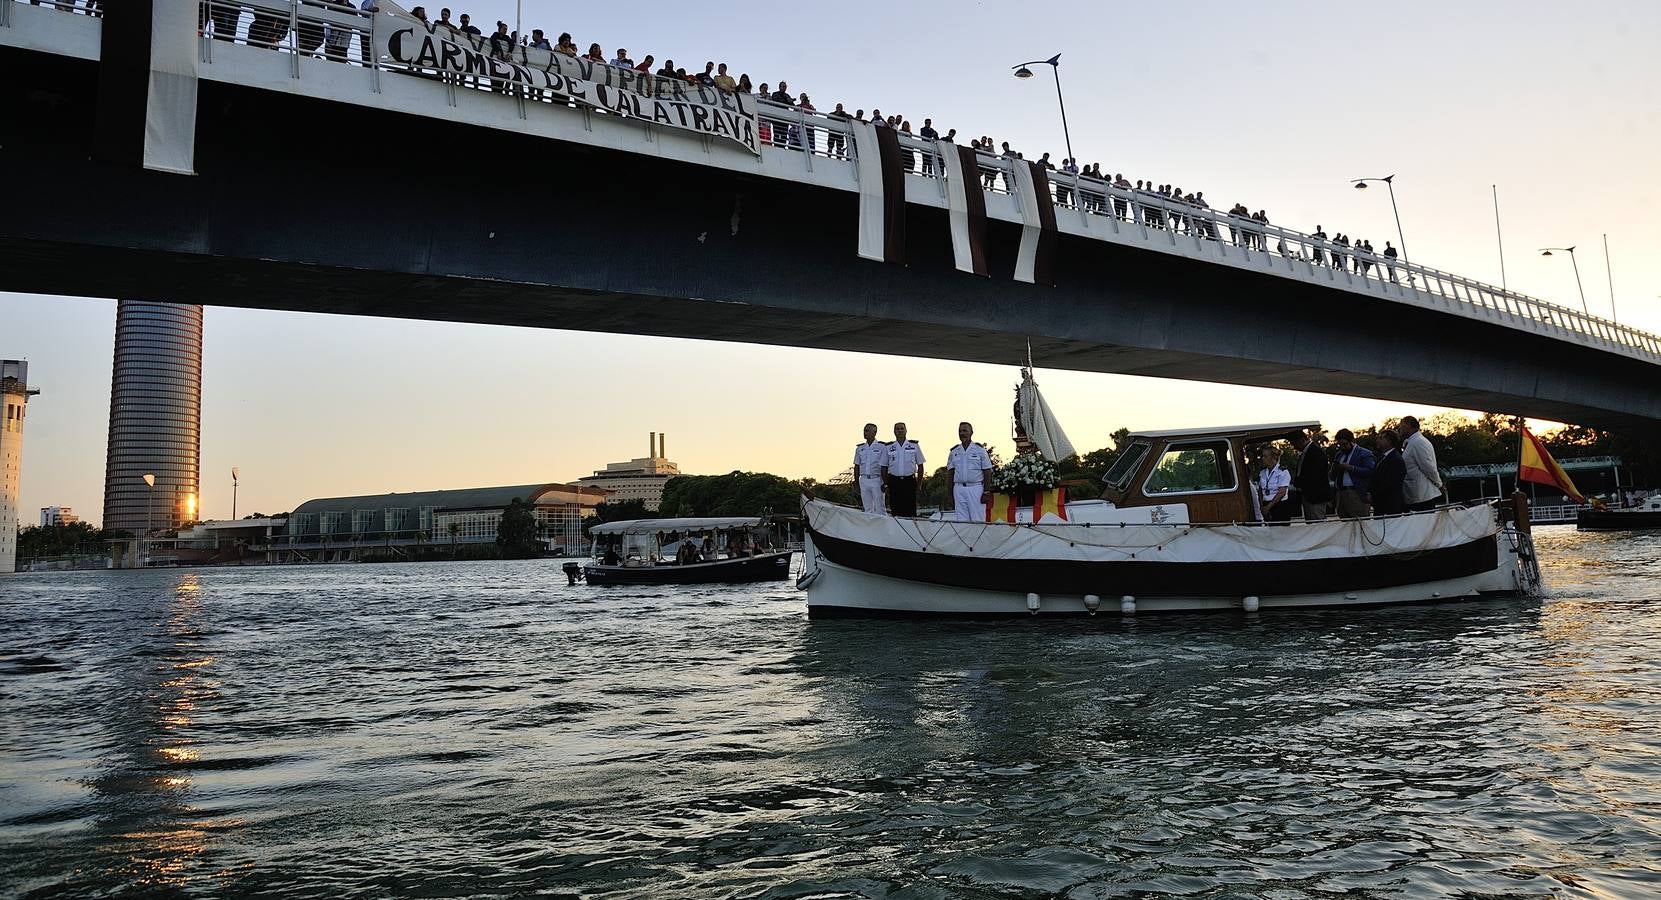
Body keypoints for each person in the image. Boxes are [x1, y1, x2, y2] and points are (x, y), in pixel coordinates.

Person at [946, 422, 994, 522]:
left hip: (975, 488)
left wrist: (986, 491)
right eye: (960, 431)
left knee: (978, 520)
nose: (962, 433)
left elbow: (987, 471)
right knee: (961, 521)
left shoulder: (979, 450)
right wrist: (950, 494)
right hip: (959, 489)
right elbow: (950, 473)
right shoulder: (954, 451)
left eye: (965, 431)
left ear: (971, 432)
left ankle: (978, 538)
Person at [1400, 416, 1445, 512]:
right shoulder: (1411, 442)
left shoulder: (1419, 442)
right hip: (1415, 494)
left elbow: (1428, 467)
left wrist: (1439, 484)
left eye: (1402, 425)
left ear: (1409, 426)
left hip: (1422, 495)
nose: (1400, 428)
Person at [1330, 428, 1377, 517]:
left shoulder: (1364, 453)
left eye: (1345, 444)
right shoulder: (1339, 455)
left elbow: (1370, 471)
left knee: (1360, 523)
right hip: (1341, 493)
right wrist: (1335, 468)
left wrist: (1351, 468)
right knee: (1345, 524)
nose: (1343, 447)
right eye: (1340, 445)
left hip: (1356, 493)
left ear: (1351, 441)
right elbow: (1332, 475)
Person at [1287, 429, 1332, 521]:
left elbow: (1315, 475)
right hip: (1308, 495)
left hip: (1315, 496)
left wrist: (1300, 483)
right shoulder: (1307, 452)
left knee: (1316, 523)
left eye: (1294, 444)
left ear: (1301, 440)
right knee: (1312, 522)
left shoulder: (1316, 452)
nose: (1294, 447)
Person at [883, 422, 926, 517]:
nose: (900, 431)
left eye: (902, 428)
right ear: (894, 431)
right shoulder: (888, 447)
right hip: (894, 482)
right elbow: (884, 467)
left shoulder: (914, 446)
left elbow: (920, 465)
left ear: (906, 430)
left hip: (909, 482)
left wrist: (919, 484)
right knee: (895, 510)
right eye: (897, 429)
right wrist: (886, 484)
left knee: (910, 510)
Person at [1370, 429, 1407, 515]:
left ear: (1389, 441)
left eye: (1381, 438)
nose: (1378, 440)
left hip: (1390, 506)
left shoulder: (1395, 460)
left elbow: (1391, 483)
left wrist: (1374, 494)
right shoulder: (1382, 458)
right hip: (1381, 505)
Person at [853, 423, 888, 514]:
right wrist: (856, 482)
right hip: (864, 479)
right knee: (867, 509)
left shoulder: (882, 447)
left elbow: (885, 466)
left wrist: (885, 482)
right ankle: (870, 527)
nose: (865, 433)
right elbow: (857, 466)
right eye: (864, 430)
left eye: (867, 430)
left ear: (875, 432)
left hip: (876, 479)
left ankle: (882, 527)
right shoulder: (860, 448)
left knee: (879, 508)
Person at [1258, 446, 1293, 522]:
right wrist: (1262, 506)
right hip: (1266, 505)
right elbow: (1260, 491)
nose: (1262, 458)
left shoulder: (1283, 472)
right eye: (1262, 456)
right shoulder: (1262, 473)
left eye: (1265, 456)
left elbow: (1282, 492)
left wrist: (1268, 507)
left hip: (1279, 506)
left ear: (1273, 458)